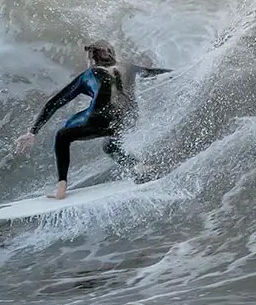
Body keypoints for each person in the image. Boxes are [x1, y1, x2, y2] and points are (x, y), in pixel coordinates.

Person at [15, 40, 172, 199]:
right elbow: (155, 72)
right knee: (110, 146)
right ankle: (141, 167)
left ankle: (61, 187)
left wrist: (32, 132)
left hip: (101, 119)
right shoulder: (129, 67)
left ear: (92, 59)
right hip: (129, 119)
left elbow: (55, 102)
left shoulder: (89, 75)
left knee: (63, 134)